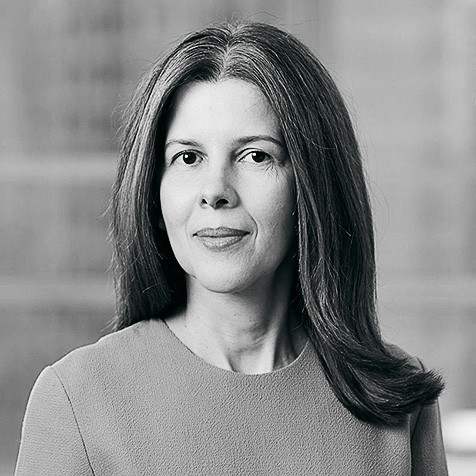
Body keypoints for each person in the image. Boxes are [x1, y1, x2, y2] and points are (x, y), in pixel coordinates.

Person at [15, 22, 448, 475]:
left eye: (256, 155)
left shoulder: (399, 399)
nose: (215, 191)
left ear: (313, 186)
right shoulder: (77, 401)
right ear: (152, 192)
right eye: (188, 157)